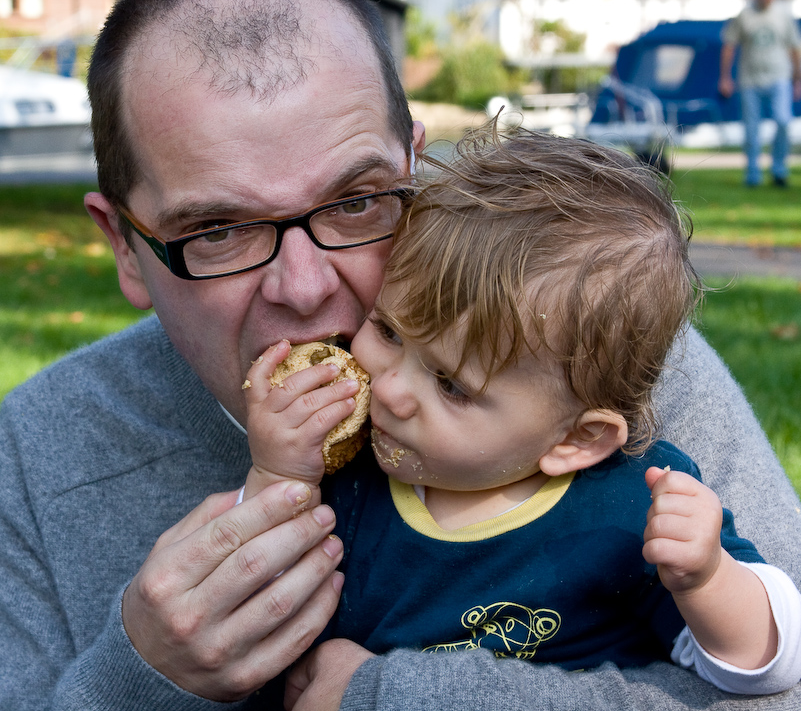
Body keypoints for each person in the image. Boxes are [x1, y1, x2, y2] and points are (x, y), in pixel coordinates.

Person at [0, 0, 799, 711]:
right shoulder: (35, 456)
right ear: (126, 247)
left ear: (414, 169)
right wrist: (141, 677)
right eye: (218, 229)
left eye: (355, 201)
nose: (306, 289)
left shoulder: (583, 350)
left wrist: (387, 695)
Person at [242, 125, 801, 699]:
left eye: (451, 386)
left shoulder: (629, 506)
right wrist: (279, 476)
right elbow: (255, 611)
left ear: (577, 441)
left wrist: (706, 576)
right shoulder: (352, 480)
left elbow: (767, 665)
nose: (390, 391)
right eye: (387, 330)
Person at [719, 0, 801, 187]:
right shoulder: (745, 15)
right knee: (751, 128)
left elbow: (794, 48)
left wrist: (797, 78)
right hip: (749, 79)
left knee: (783, 121)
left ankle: (779, 169)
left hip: (779, 76)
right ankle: (753, 173)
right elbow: (729, 46)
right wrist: (725, 77)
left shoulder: (783, 15)